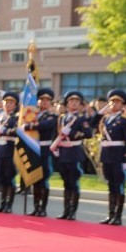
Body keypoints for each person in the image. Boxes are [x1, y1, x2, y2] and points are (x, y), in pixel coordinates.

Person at [94, 89, 126, 225]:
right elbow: (94, 121)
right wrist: (102, 109)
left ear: (122, 105)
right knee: (111, 186)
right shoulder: (105, 119)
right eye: (111, 102)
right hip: (107, 155)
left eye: (117, 102)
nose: (114, 104)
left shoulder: (125, 120)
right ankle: (110, 214)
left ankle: (118, 216)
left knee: (119, 186)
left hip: (118, 156)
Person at [51, 90, 93, 220]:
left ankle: (72, 212)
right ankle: (66, 210)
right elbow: (57, 134)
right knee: (66, 182)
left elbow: (88, 134)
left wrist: (72, 132)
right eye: (71, 101)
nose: (74, 103)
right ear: (66, 103)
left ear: (80, 105)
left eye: (77, 102)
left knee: (73, 182)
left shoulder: (81, 119)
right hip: (63, 152)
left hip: (74, 151)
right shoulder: (62, 118)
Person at [24, 87, 58, 217]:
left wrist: (29, 126)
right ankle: (36, 207)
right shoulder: (32, 115)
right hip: (33, 149)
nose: (44, 102)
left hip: (44, 150)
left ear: (51, 103)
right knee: (35, 180)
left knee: (43, 180)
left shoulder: (52, 116)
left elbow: (45, 125)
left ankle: (43, 208)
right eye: (41, 100)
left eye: (47, 100)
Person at [0, 91, 20, 214]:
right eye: (6, 102)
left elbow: (18, 131)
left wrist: (7, 130)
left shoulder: (17, 116)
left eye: (11, 103)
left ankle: (9, 204)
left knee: (9, 176)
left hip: (10, 147)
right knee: (1, 175)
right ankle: (2, 203)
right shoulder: (0, 116)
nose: (8, 105)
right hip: (0, 147)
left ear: (15, 104)